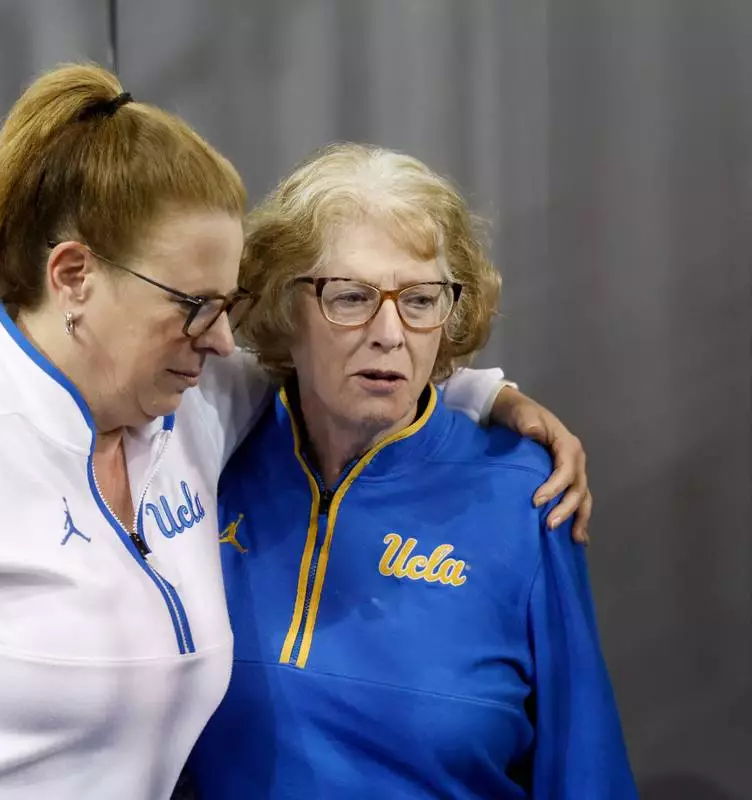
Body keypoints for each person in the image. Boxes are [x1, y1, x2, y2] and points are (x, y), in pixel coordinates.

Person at [0, 65, 590, 799]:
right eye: (194, 306)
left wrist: (488, 397)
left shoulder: (189, 406)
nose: (222, 339)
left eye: (227, 305)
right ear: (74, 276)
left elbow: (341, 361)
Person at [186, 143, 635, 798]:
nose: (391, 334)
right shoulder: (209, 457)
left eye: (421, 301)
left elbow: (584, 770)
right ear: (284, 307)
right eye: (351, 298)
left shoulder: (526, 492)